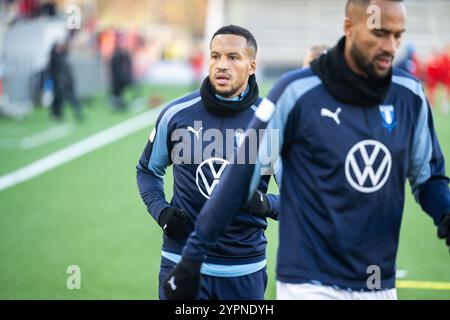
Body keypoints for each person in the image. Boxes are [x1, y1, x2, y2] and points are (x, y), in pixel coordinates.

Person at [163, 0, 450, 300]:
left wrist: (445, 211)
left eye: (398, 36)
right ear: (349, 29)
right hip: (308, 281)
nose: (391, 46)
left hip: (378, 281)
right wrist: (192, 257)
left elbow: (428, 178)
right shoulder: (295, 92)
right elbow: (238, 179)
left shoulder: (410, 95)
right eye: (379, 33)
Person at [136, 25, 280, 300]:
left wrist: (264, 203)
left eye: (233, 57)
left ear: (252, 66)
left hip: (243, 270)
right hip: (180, 262)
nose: (221, 65)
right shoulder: (176, 114)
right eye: (215, 56)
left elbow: (300, 198)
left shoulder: (271, 123)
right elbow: (147, 170)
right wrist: (161, 211)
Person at [49, 38, 83, 121]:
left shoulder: (62, 56)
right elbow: (54, 71)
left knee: (72, 98)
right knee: (58, 99)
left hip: (67, 82)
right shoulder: (54, 58)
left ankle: (77, 113)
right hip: (59, 82)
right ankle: (56, 114)